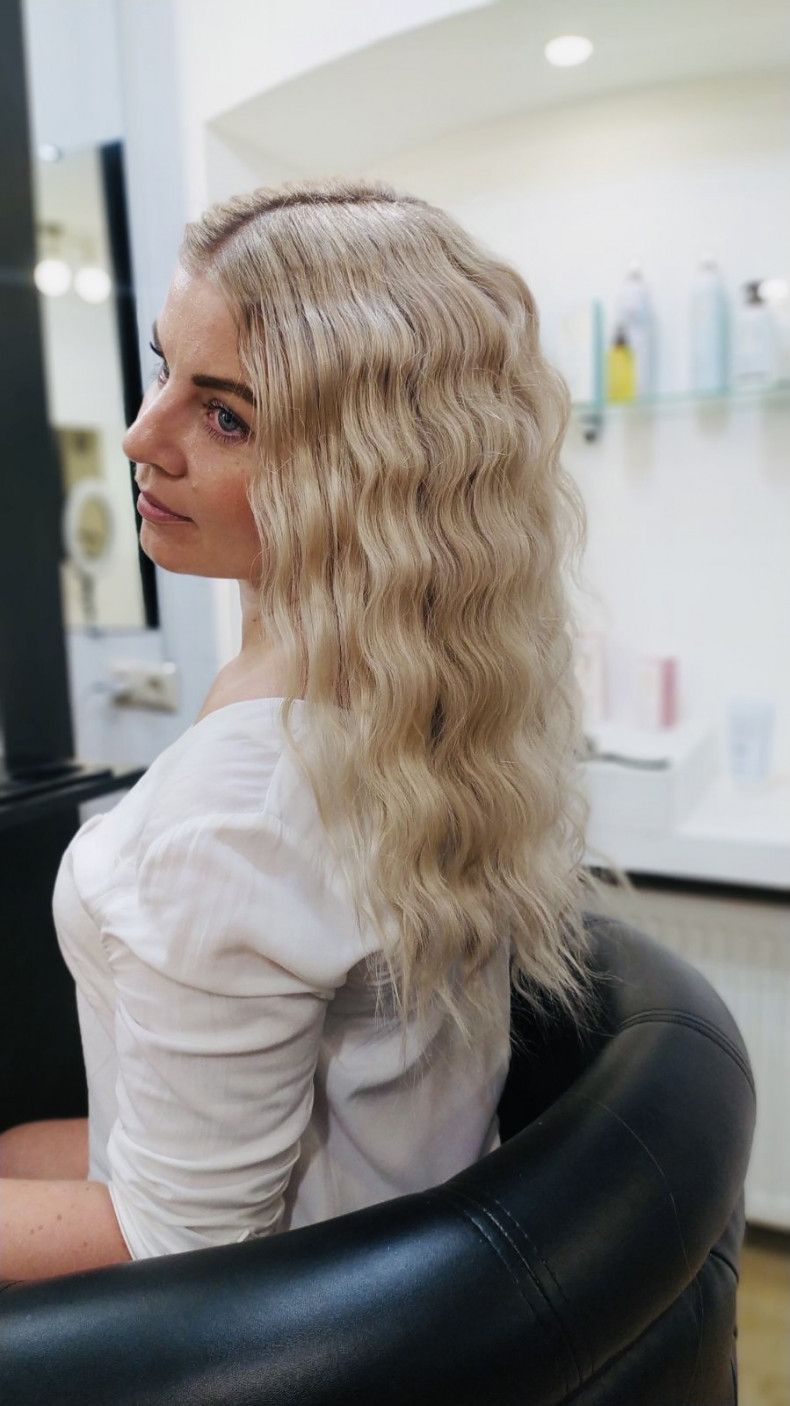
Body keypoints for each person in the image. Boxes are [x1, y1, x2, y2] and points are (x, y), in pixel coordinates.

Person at [0, 177, 597, 1281]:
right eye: (163, 369)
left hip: (281, 1319)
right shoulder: (426, 695)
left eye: (225, 416)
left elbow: (178, 1242)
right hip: (391, 1235)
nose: (141, 436)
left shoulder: (244, 805)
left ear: (369, 470)